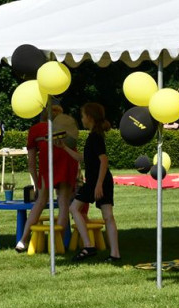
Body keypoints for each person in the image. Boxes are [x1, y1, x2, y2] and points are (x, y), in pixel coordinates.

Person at [15, 105, 79, 253]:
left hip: (48, 165)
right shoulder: (66, 127)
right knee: (63, 202)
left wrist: (37, 185)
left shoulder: (35, 129)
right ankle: (59, 242)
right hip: (68, 162)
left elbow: (31, 164)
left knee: (40, 201)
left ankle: (23, 240)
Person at [66, 102, 119, 262]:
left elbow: (104, 161)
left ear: (89, 117)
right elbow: (84, 158)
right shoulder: (94, 136)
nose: (81, 119)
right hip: (99, 181)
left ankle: (89, 246)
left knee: (74, 208)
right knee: (108, 216)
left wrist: (98, 185)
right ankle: (114, 254)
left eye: (82, 116)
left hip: (97, 182)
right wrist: (64, 148)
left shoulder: (95, 137)